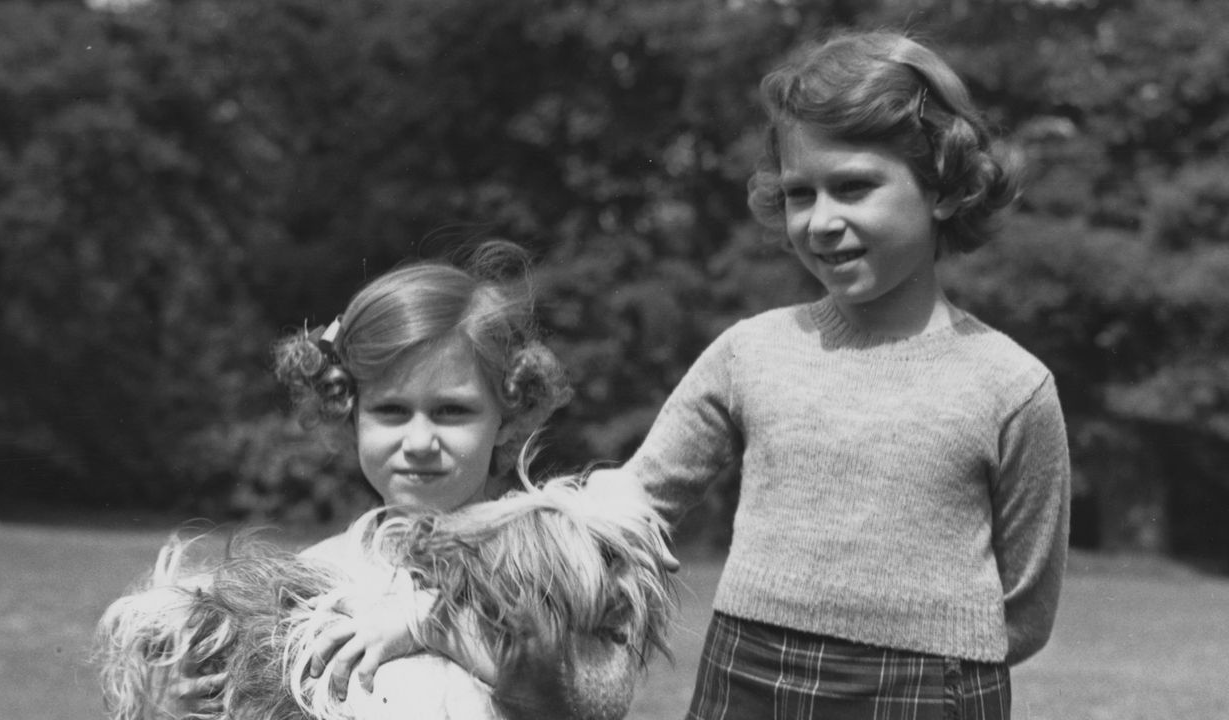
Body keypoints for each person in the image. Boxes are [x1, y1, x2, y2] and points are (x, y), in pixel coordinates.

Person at [590, 30, 1072, 719]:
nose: (821, 221)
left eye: (853, 187)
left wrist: (929, 656)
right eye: (798, 194)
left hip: (932, 690)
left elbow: (1024, 606)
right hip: (746, 674)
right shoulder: (749, 352)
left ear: (941, 183)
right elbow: (630, 504)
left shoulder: (1012, 385)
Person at [105, 240, 678, 719]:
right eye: (392, 411)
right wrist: (172, 702)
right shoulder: (320, 572)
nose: (420, 440)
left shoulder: (551, 557)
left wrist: (430, 628)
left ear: (508, 414)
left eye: (453, 412)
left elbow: (596, 697)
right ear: (348, 413)